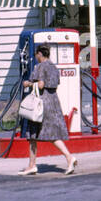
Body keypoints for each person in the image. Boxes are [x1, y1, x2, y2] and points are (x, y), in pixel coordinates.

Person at [20, 44, 77, 175]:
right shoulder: (53, 67)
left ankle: (69, 157)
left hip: (40, 103)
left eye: (36, 55)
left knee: (34, 132)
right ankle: (32, 165)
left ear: (40, 54)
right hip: (53, 101)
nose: (35, 57)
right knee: (44, 133)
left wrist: (27, 83)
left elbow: (40, 85)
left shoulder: (40, 66)